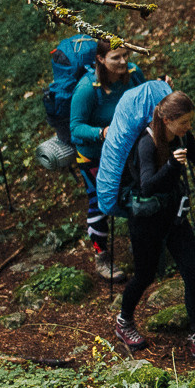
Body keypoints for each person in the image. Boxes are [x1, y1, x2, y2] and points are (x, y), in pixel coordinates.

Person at [109, 90, 195, 361]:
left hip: (174, 217)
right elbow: (147, 185)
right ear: (167, 120)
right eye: (184, 122)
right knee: (145, 275)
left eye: (190, 121)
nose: (188, 127)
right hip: (146, 221)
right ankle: (123, 321)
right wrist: (172, 165)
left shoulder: (183, 137)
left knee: (193, 273)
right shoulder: (146, 144)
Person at [69, 40, 145, 278]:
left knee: (137, 196)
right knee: (100, 204)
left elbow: (143, 100)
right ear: (100, 59)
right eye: (116, 57)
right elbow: (75, 128)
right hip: (94, 156)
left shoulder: (133, 74)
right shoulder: (86, 88)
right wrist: (101, 132)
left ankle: (141, 246)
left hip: (126, 150)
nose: (123, 61)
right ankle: (101, 257)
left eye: (125, 55)